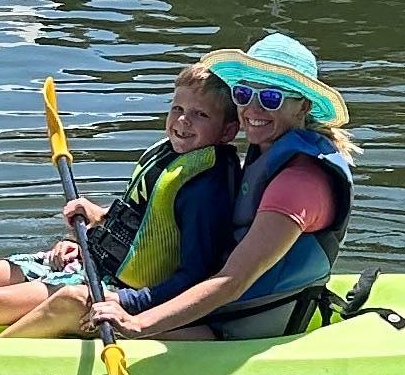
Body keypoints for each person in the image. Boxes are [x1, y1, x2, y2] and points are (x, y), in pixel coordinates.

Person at [0, 58, 242, 338]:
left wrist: (127, 302)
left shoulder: (205, 188)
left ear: (227, 130)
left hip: (119, 289)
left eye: (199, 115)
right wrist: (95, 219)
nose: (182, 121)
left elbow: (197, 273)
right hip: (95, 263)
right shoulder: (176, 158)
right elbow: (144, 227)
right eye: (177, 109)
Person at [92, 30, 355, 346]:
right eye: (244, 94)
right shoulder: (267, 153)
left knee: (79, 316)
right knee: (79, 300)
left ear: (302, 107)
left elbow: (233, 280)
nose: (253, 111)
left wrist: (138, 324)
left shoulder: (298, 183)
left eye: (271, 98)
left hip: (242, 328)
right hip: (223, 310)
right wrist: (100, 216)